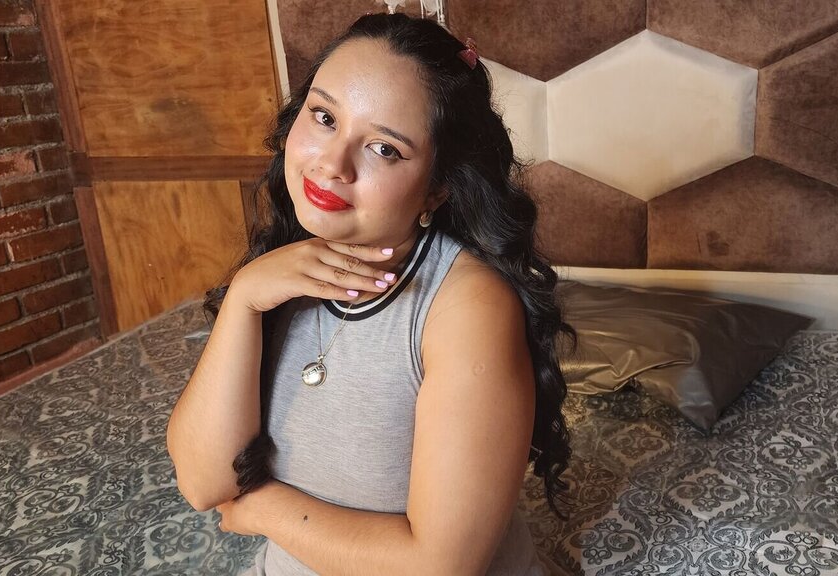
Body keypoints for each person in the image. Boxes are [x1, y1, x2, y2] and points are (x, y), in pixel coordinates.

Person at [166, 12, 573, 575]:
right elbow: (202, 482)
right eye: (324, 117)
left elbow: (438, 567)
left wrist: (260, 509)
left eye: (384, 148)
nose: (332, 165)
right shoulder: (278, 271)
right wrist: (243, 298)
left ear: (437, 187)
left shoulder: (466, 308)